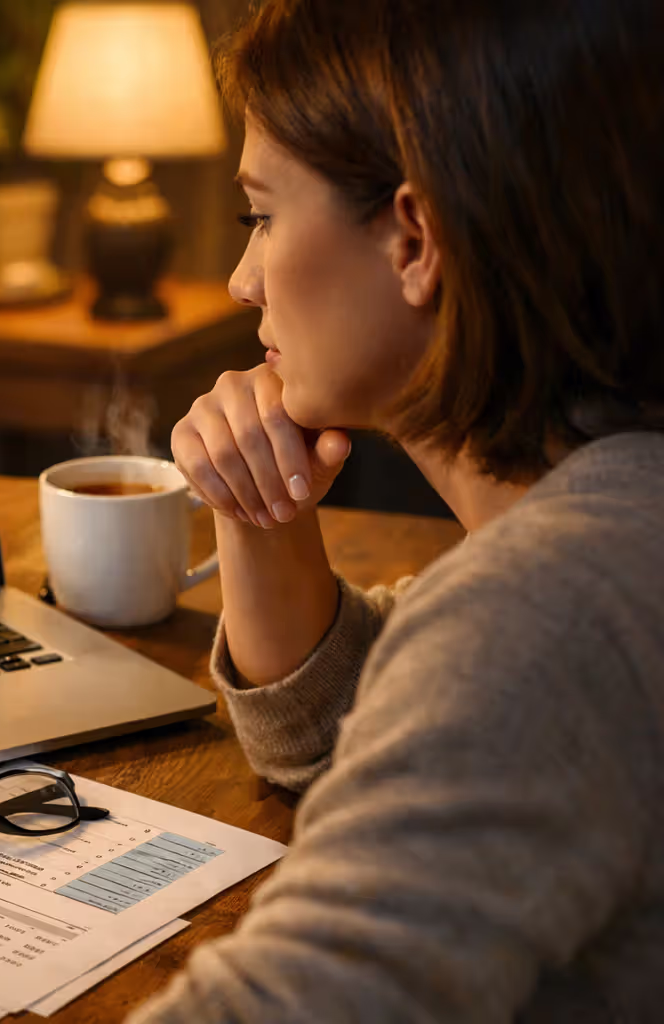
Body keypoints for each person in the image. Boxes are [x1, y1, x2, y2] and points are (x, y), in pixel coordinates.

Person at [132, 0, 664, 1020]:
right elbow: (378, 731)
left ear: (415, 237)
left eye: (262, 215)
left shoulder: (549, 612)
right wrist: (260, 508)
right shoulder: (609, 513)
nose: (244, 281)